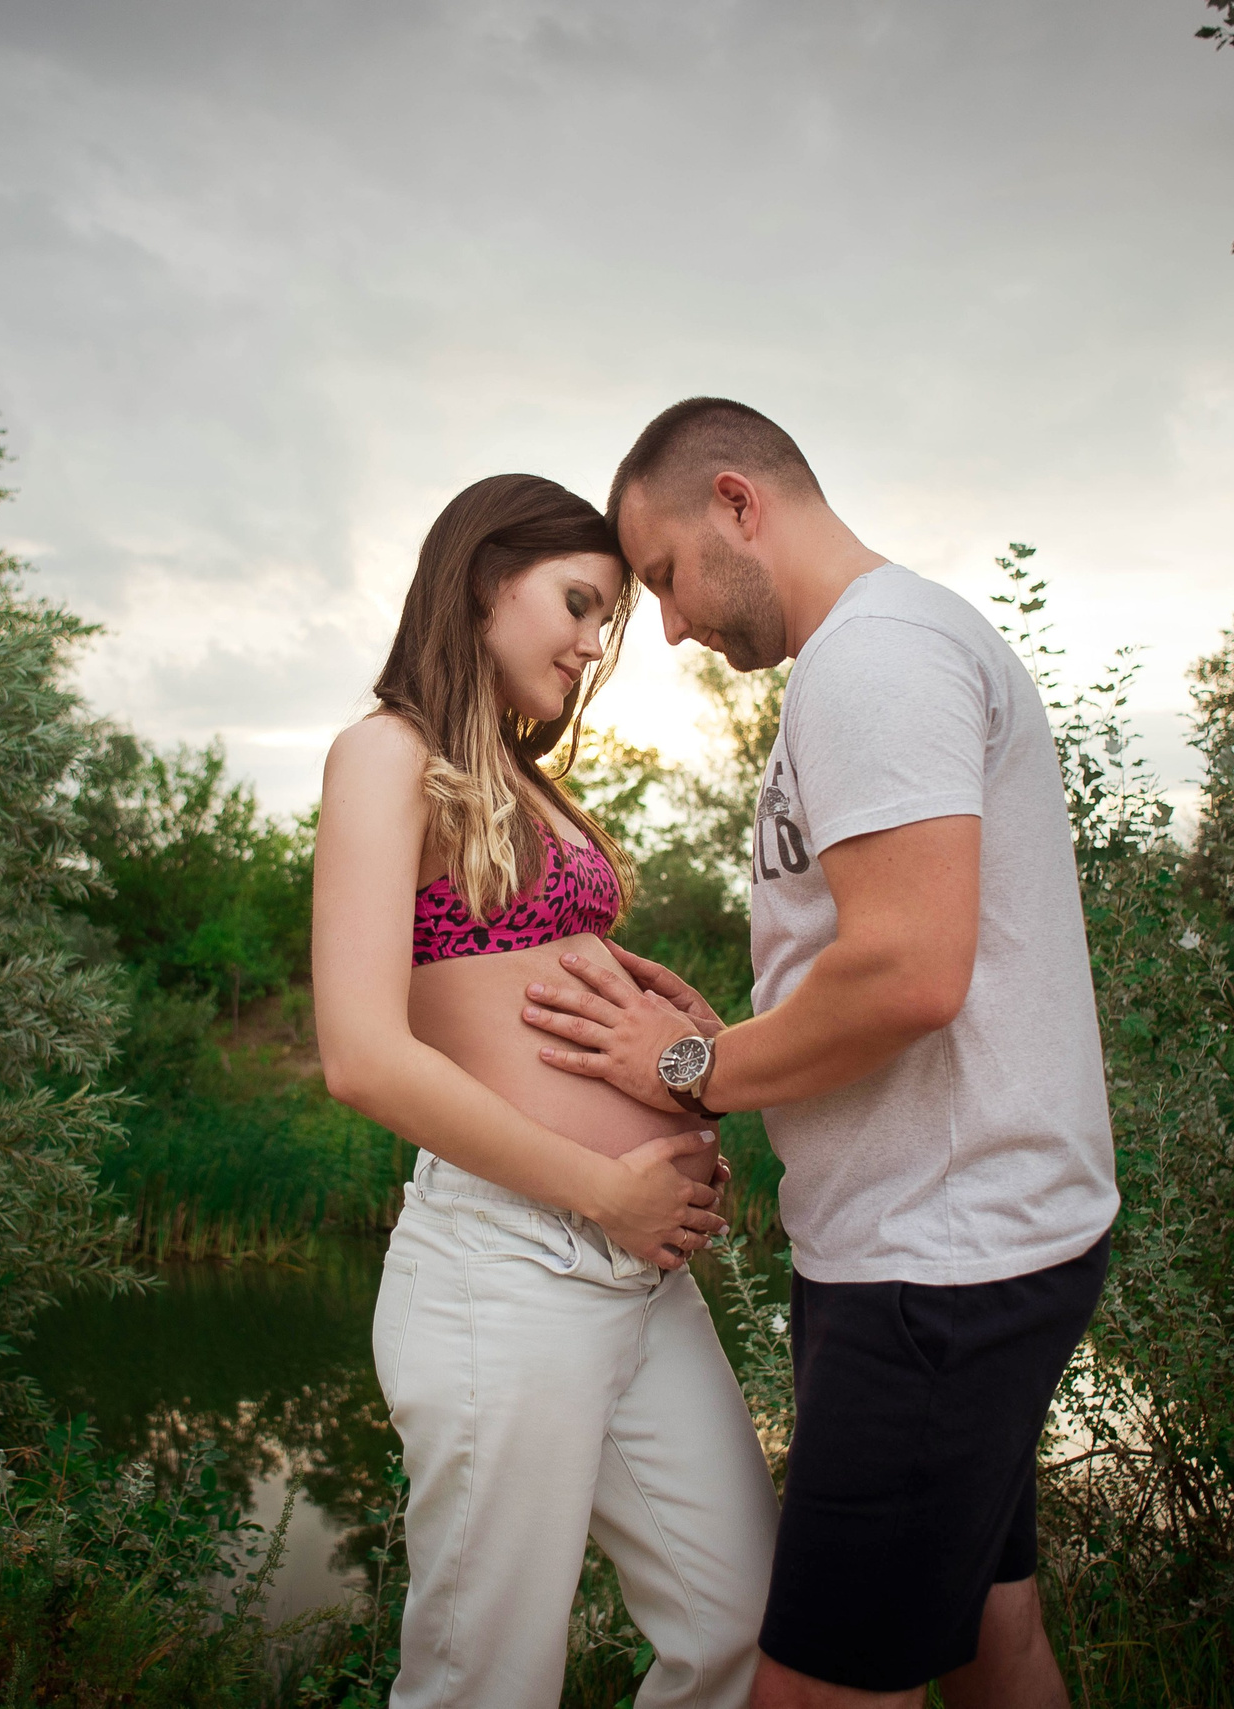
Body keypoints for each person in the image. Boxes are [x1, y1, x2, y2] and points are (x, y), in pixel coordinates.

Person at [518, 400, 1118, 1709]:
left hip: (936, 1270)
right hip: (966, 1243)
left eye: (667, 576)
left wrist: (695, 1072)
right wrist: (731, 1036)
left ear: (739, 501)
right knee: (984, 1638)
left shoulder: (875, 658)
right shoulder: (883, 652)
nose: (668, 624)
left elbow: (909, 969)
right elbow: (881, 962)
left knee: (812, 1692)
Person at [312, 472, 781, 1709]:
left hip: (636, 1273)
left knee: (737, 1615)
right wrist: (604, 1185)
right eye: (578, 603)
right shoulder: (385, 754)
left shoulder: (524, 781)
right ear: (480, 579)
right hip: (507, 1263)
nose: (592, 643)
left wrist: (677, 1034)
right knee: (486, 1680)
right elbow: (362, 1052)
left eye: (607, 620)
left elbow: (530, 982)